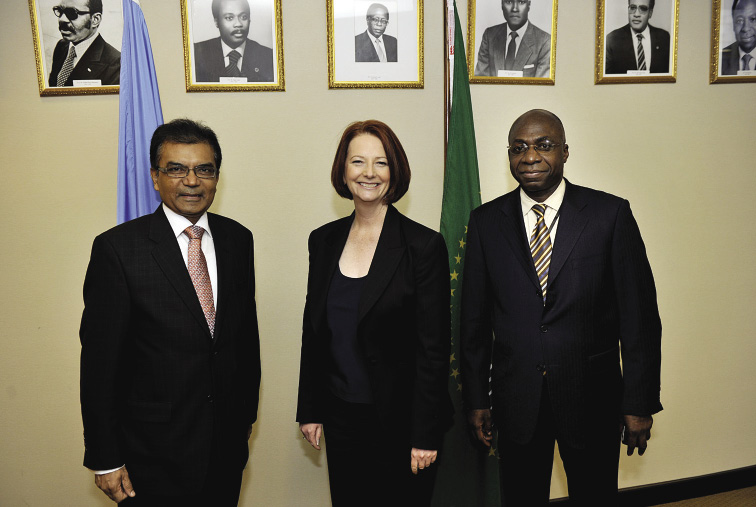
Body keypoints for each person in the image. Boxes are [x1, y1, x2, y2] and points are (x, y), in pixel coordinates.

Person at [460, 109, 662, 505]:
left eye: (543, 146)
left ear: (565, 152)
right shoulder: (485, 222)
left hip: (593, 399)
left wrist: (638, 402)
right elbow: (474, 322)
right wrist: (476, 400)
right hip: (516, 401)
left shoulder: (609, 215)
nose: (530, 157)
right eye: (518, 148)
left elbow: (639, 319)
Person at [79, 119, 261, 506]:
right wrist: (105, 457)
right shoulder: (118, 250)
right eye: (176, 169)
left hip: (225, 448)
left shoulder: (237, 240)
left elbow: (245, 339)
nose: (191, 181)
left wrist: (244, 418)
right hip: (151, 455)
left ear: (216, 176)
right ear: (155, 177)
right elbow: (98, 365)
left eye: (204, 169)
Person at [296, 120, 452, 506]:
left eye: (380, 163)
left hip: (402, 424)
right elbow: (314, 333)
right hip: (341, 417)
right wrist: (310, 409)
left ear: (395, 170)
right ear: (343, 170)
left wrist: (425, 435)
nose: (368, 173)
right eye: (358, 162)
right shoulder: (323, 240)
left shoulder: (423, 245)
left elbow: (434, 350)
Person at [193, 0, 274, 82]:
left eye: (243, 17)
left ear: (249, 20)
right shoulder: (196, 54)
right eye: (229, 18)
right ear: (216, 22)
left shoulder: (268, 57)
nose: (238, 24)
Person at [48, 0, 120, 87]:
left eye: (72, 13)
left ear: (95, 19)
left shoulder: (116, 64)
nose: (62, 19)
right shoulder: (62, 46)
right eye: (60, 11)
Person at [474, 0, 551, 78]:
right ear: (502, 5)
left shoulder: (545, 41)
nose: (514, 9)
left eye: (521, 2)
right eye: (509, 2)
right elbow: (481, 82)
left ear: (529, 4)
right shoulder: (489, 36)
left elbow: (540, 88)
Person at [605, 0, 670, 74]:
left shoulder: (664, 38)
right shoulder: (612, 40)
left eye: (643, 9)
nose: (636, 14)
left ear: (650, 13)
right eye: (632, 8)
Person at [721, 0, 756, 74]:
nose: (745, 28)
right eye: (739, 21)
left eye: (753, 19)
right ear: (733, 25)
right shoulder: (720, 58)